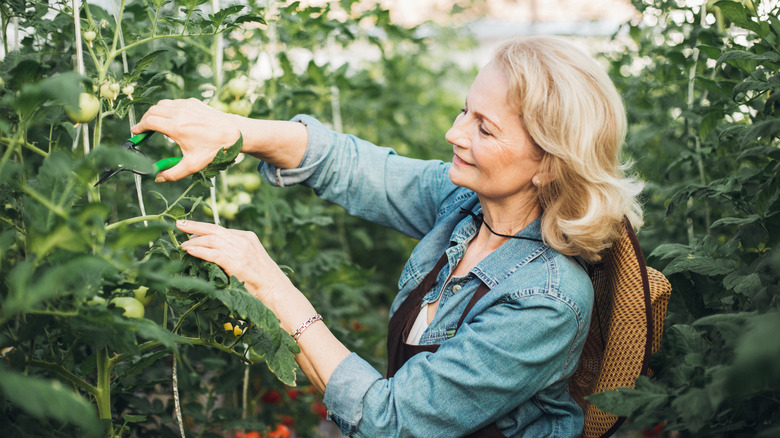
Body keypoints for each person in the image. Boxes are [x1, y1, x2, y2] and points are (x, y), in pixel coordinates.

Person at [132, 36, 644, 437]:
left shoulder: (546, 300)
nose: (455, 133)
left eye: (484, 128)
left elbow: (391, 422)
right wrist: (234, 131)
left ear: (549, 165)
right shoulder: (467, 206)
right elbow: (356, 167)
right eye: (465, 109)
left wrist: (272, 287)